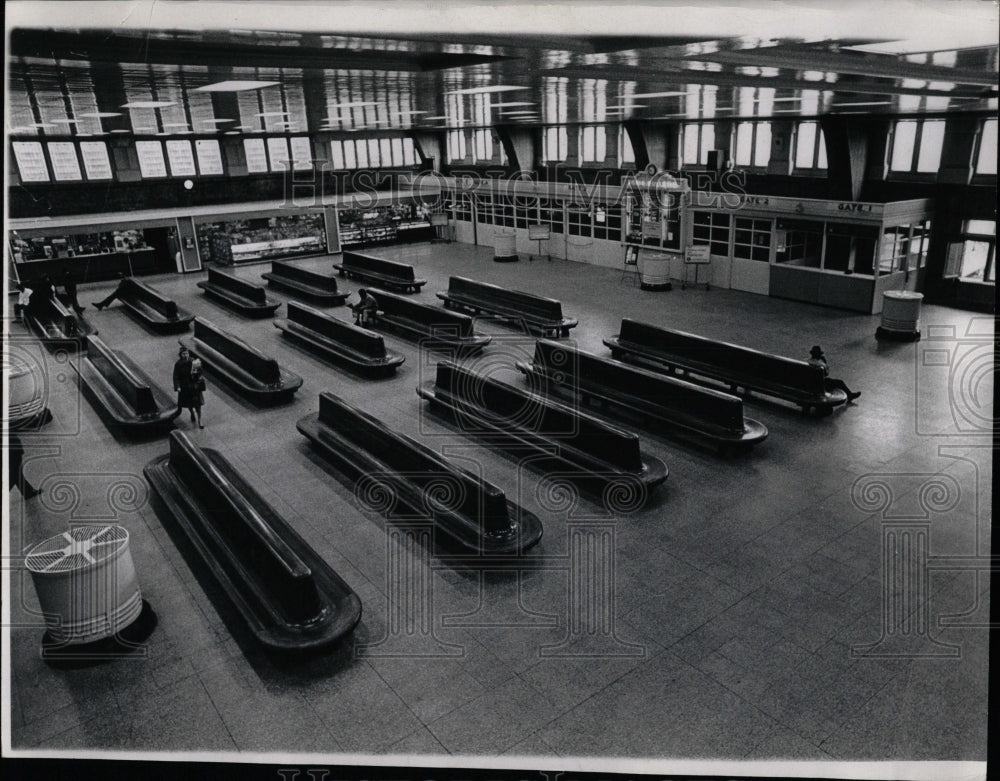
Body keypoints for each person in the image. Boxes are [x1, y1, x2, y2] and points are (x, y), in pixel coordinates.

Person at [173, 347, 206, 428]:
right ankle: (191, 413)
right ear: (180, 355)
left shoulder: (193, 361)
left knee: (198, 404)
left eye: (187, 353)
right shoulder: (178, 364)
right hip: (185, 386)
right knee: (189, 404)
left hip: (194, 385)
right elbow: (175, 376)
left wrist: (199, 373)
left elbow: (201, 371)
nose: (185, 355)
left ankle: (200, 420)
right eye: (183, 354)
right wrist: (177, 386)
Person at [8, 435, 42, 499]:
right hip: (11, 449)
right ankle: (28, 492)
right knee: (15, 474)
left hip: (12, 447)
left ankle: (27, 492)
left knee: (16, 472)